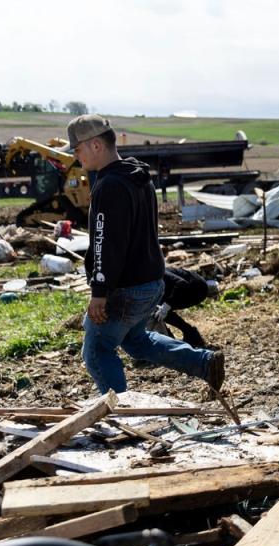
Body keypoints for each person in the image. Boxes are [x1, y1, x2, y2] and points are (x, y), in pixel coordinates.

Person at [67, 114, 225, 394]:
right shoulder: (139, 178)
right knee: (137, 341)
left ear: (95, 145)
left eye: (77, 150)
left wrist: (100, 291)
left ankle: (119, 413)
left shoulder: (109, 185)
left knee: (97, 352)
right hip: (152, 282)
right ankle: (203, 362)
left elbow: (106, 242)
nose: (77, 158)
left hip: (125, 288)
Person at [147, 267, 212, 348]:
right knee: (159, 309)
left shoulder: (156, 272)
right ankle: (175, 336)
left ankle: (191, 335)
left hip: (197, 288)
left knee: (162, 309)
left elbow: (182, 283)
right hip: (183, 288)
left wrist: (166, 306)